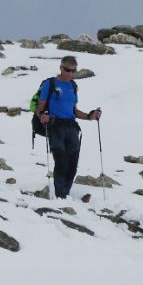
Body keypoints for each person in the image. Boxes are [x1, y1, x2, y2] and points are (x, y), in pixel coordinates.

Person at [36, 56, 101, 199]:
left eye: (73, 71)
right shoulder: (50, 83)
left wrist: (90, 116)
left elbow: (74, 110)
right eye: (67, 70)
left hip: (71, 127)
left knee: (72, 163)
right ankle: (60, 197)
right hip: (55, 127)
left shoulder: (72, 86)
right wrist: (42, 116)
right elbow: (39, 108)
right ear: (61, 68)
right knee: (61, 161)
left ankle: (65, 195)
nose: (70, 74)